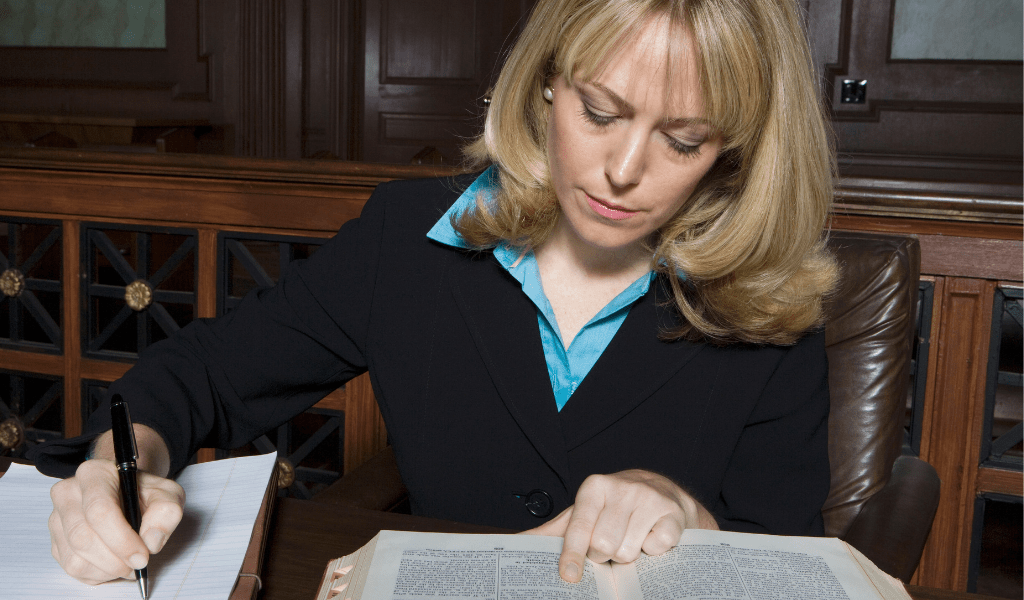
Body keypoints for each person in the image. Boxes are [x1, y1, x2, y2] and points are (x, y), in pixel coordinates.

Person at [33, 0, 838, 588]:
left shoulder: (768, 313)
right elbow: (204, 374)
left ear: (730, 150)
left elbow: (789, 559)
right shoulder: (410, 237)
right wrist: (117, 467)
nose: (625, 170)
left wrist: (689, 519)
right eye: (600, 112)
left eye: (682, 139)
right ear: (548, 85)